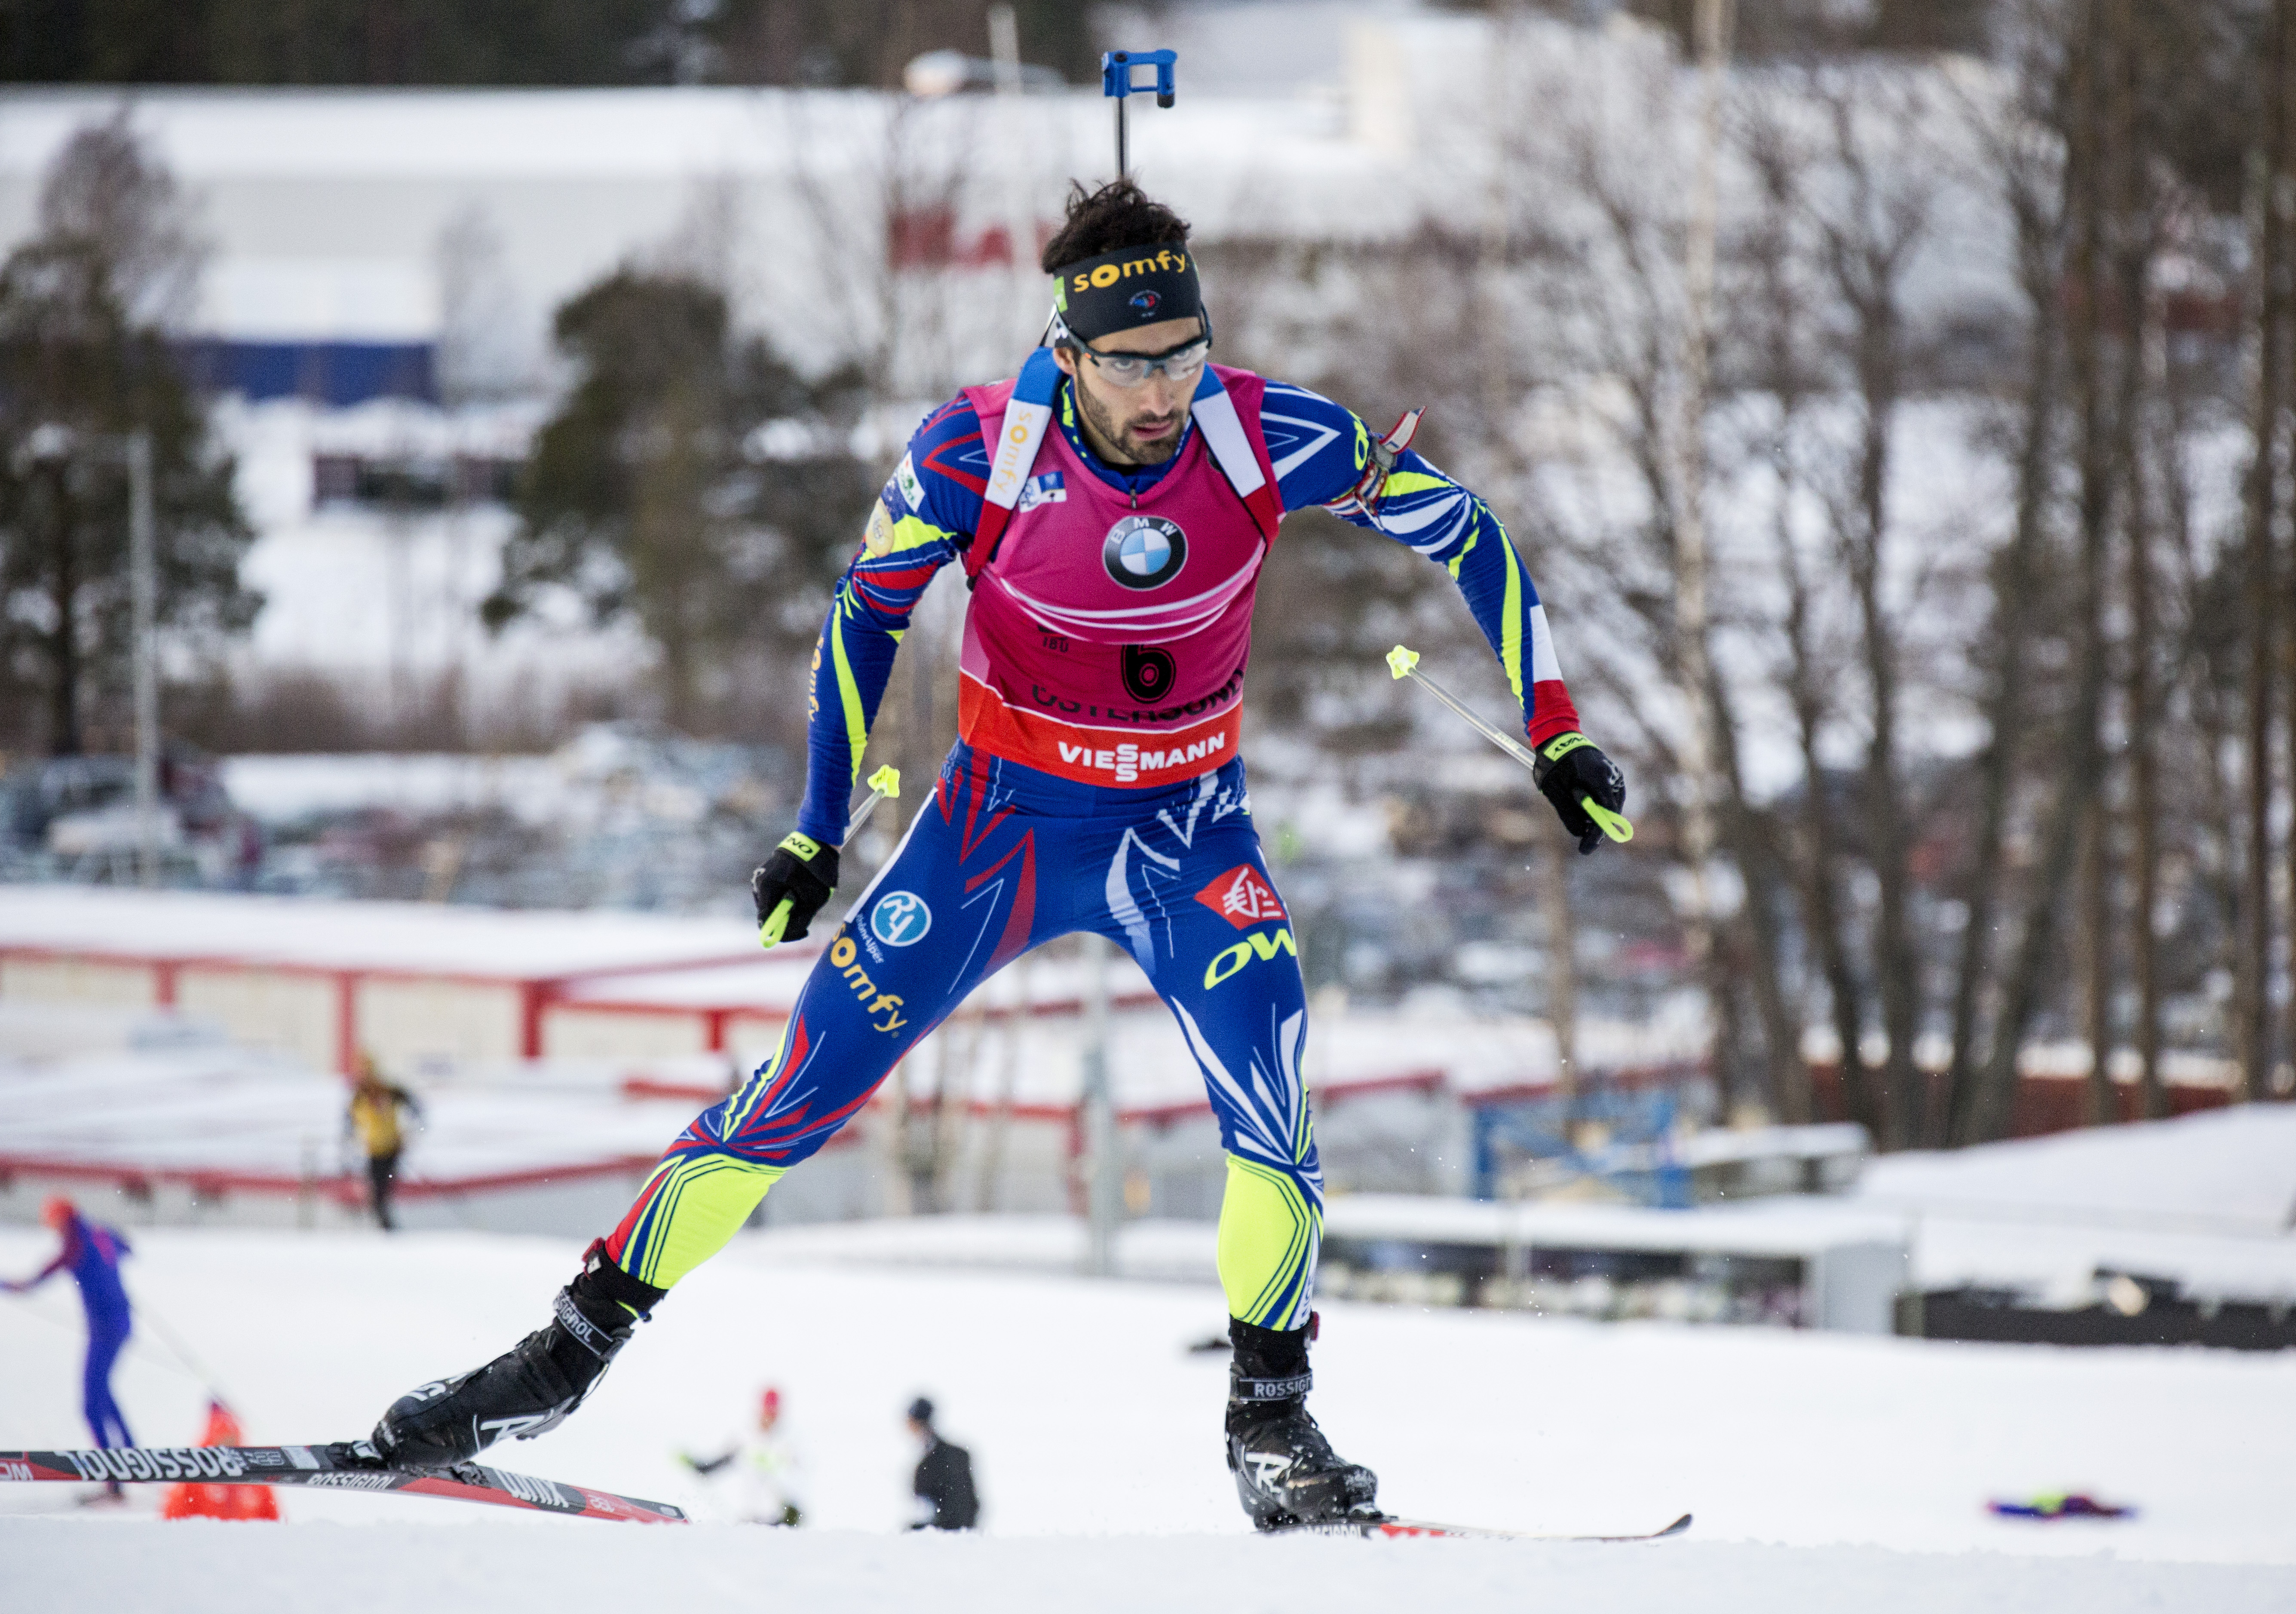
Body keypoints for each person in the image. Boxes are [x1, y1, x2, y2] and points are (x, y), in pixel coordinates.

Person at [368, 178, 1627, 1530]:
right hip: (997, 831)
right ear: (1068, 350)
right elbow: (861, 622)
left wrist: (1553, 731)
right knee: (788, 1097)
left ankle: (1270, 1420)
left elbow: (1471, 532)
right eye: (1135, 366)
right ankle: (554, 1361)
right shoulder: (979, 451)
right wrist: (814, 825)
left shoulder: (1263, 436)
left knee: (1275, 1099)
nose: (1166, 393)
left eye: (1186, 355)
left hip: (1184, 835)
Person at [4, 1197, 137, 1495]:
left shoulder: (75, 1243)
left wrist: (8, 1285)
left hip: (105, 1330)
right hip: (122, 1322)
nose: (54, 1231)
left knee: (92, 1405)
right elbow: (127, 1248)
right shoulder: (100, 1232)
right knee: (103, 1392)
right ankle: (133, 1456)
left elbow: (40, 1277)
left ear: (62, 1221)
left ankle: (115, 1479)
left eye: (53, 1224)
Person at [680, 1385, 805, 1525]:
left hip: (777, 1521)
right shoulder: (744, 1439)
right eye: (767, 1413)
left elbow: (799, 1481)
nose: (769, 1418)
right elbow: (715, 1466)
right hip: (748, 1520)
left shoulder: (788, 1443)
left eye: (773, 1414)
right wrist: (694, 1465)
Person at [346, 1055, 423, 1231]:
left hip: (392, 1149)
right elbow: (350, 1124)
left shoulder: (391, 1092)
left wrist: (412, 1132)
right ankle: (387, 1231)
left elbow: (417, 1110)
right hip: (372, 1150)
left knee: (382, 1193)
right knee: (377, 1194)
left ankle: (390, 1232)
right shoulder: (358, 1097)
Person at [905, 1396, 979, 1531]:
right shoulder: (954, 1454)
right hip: (955, 1533)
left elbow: (961, 1508)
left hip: (948, 1537)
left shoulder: (941, 1458)